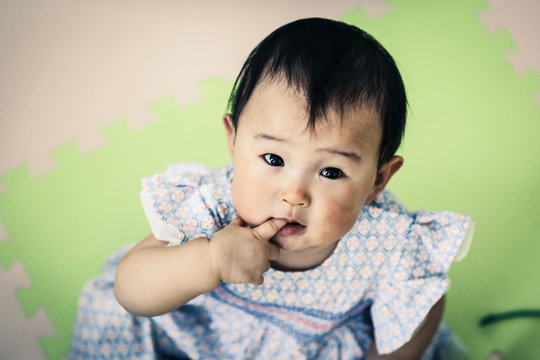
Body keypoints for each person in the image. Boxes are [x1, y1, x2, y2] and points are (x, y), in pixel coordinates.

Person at [69, 17, 474, 359]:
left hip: (306, 347)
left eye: (331, 172)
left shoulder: (389, 240)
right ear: (234, 141)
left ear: (378, 180)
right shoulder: (214, 207)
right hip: (190, 339)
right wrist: (210, 262)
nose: (294, 194)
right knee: (116, 325)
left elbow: (424, 307)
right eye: (274, 160)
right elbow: (132, 288)